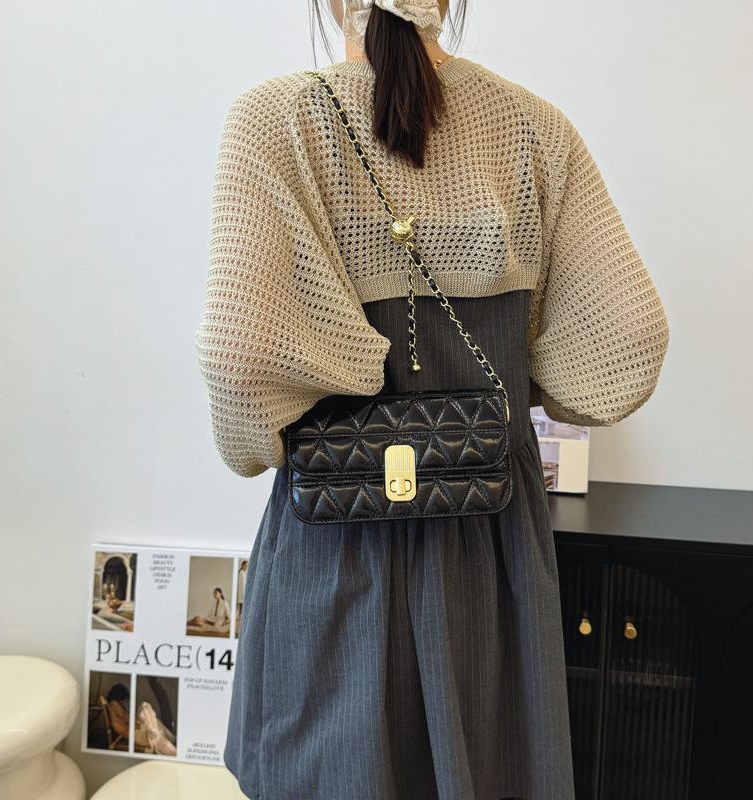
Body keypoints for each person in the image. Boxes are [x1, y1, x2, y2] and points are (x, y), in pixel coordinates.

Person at [195, 2, 669, 798]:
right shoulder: (534, 128)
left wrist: (336, 380)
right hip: (489, 539)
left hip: (339, 534)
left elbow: (239, 365)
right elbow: (625, 346)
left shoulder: (277, 123)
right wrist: (506, 383)